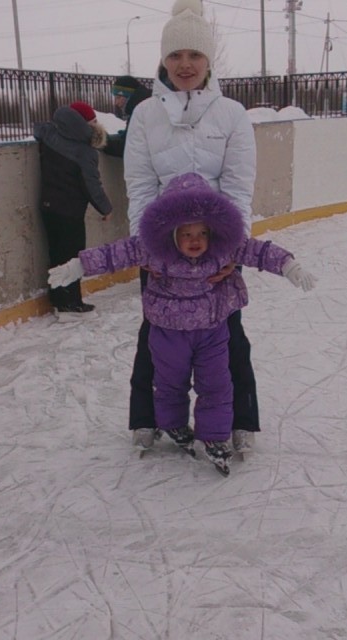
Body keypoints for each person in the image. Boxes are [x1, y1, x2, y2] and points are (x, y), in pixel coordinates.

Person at [48, 173, 316, 475]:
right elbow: (114, 254)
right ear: (171, 232)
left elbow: (259, 251)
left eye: (201, 233)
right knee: (169, 384)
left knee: (217, 384)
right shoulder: (152, 249)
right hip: (167, 332)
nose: (195, 241)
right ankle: (173, 423)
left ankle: (215, 437)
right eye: (186, 234)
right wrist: (78, 266)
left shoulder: (222, 250)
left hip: (212, 331)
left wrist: (289, 266)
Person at [123, 0, 262, 453]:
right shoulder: (145, 115)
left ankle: (241, 419)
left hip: (215, 247)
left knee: (229, 335)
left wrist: (230, 250)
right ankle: (145, 418)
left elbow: (239, 188)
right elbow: (140, 185)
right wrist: (149, 250)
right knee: (155, 334)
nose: (185, 65)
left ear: (208, 61)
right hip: (163, 248)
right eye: (176, 55)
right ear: (163, 60)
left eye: (195, 55)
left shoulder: (232, 114)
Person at [34, 101, 112, 317]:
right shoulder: (85, 151)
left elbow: (38, 129)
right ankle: (72, 303)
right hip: (70, 212)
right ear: (83, 124)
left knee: (56, 254)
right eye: (92, 121)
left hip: (48, 207)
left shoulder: (49, 134)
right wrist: (106, 208)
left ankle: (59, 301)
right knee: (72, 258)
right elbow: (91, 185)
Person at [103, 76, 151, 158]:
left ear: (129, 96)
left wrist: (101, 141)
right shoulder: (144, 106)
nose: (116, 103)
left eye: (118, 97)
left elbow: (126, 148)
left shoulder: (140, 112)